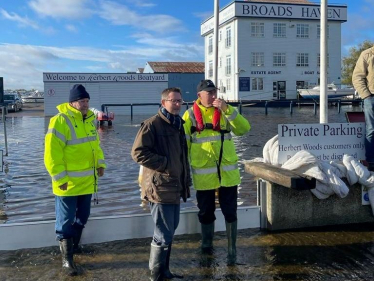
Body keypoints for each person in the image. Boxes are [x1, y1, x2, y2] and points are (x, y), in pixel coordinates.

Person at [182, 79, 250, 265]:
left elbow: (244, 129)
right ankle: (206, 246)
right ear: (199, 95)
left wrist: (228, 110)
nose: (213, 96)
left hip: (228, 175)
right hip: (204, 176)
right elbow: (183, 146)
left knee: (230, 212)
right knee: (206, 213)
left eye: (215, 92)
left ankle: (231, 249)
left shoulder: (225, 112)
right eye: (209, 93)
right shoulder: (190, 116)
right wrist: (183, 172)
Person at [44, 84, 106, 276]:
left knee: (83, 216)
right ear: (72, 102)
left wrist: (100, 164)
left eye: (87, 101)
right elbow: (52, 153)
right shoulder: (59, 120)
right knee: (65, 221)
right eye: (82, 101)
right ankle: (67, 260)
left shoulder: (89, 120)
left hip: (87, 182)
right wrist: (59, 177)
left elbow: (95, 146)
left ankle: (75, 246)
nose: (86, 104)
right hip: (67, 183)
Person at [131, 87, 191, 280]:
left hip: (175, 186)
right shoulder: (152, 124)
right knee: (163, 232)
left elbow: (182, 157)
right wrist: (164, 164)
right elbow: (138, 153)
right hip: (160, 187)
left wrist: (185, 179)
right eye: (173, 101)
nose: (177, 104)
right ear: (163, 102)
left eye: (180, 101)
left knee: (171, 229)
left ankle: (165, 272)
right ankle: (156, 275)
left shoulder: (179, 125)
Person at [352, 46, 374, 170]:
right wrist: (366, 96)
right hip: (371, 97)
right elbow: (357, 77)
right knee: (371, 129)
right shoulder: (367, 54)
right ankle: (371, 161)